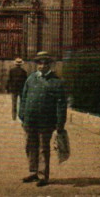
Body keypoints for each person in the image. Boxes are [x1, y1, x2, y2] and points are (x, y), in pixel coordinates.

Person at [18, 51, 67, 187]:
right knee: (30, 146)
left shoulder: (57, 82)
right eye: (40, 63)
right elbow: (24, 98)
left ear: (50, 65)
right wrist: (22, 115)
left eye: (45, 63)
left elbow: (61, 104)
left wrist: (60, 124)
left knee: (43, 147)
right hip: (30, 120)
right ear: (37, 65)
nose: (42, 66)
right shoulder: (31, 79)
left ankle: (43, 175)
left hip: (46, 121)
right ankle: (33, 171)